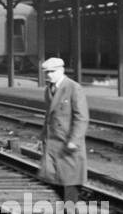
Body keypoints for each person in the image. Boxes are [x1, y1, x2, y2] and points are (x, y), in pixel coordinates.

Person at [37, 56, 88, 200]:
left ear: (61, 70)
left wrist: (74, 140)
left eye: (52, 72)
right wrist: (42, 138)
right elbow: (48, 117)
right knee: (53, 178)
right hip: (53, 142)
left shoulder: (73, 88)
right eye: (46, 72)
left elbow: (81, 117)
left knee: (70, 181)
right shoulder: (49, 89)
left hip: (68, 142)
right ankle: (70, 213)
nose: (49, 75)